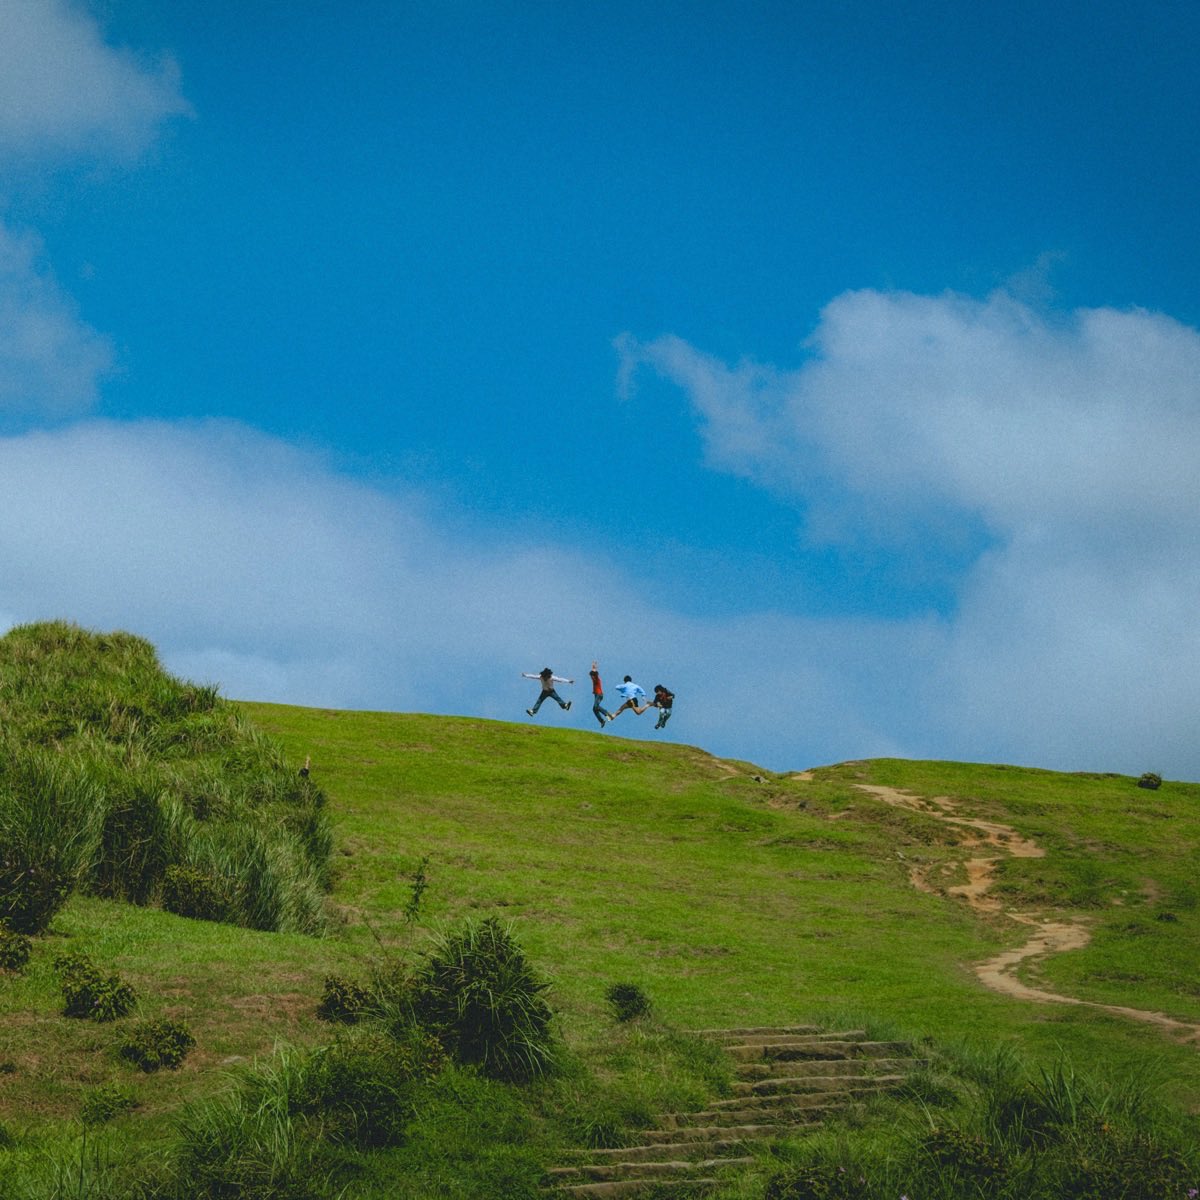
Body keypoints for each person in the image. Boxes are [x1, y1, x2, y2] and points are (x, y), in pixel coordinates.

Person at [588, 661, 613, 729]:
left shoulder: (597, 679)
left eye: (592, 676)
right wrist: (593, 667)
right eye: (591, 676)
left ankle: (607, 713)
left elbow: (596, 673)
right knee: (594, 709)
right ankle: (602, 721)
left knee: (595, 706)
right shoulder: (593, 678)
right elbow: (592, 673)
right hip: (597, 695)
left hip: (599, 694)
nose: (591, 677)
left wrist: (595, 668)